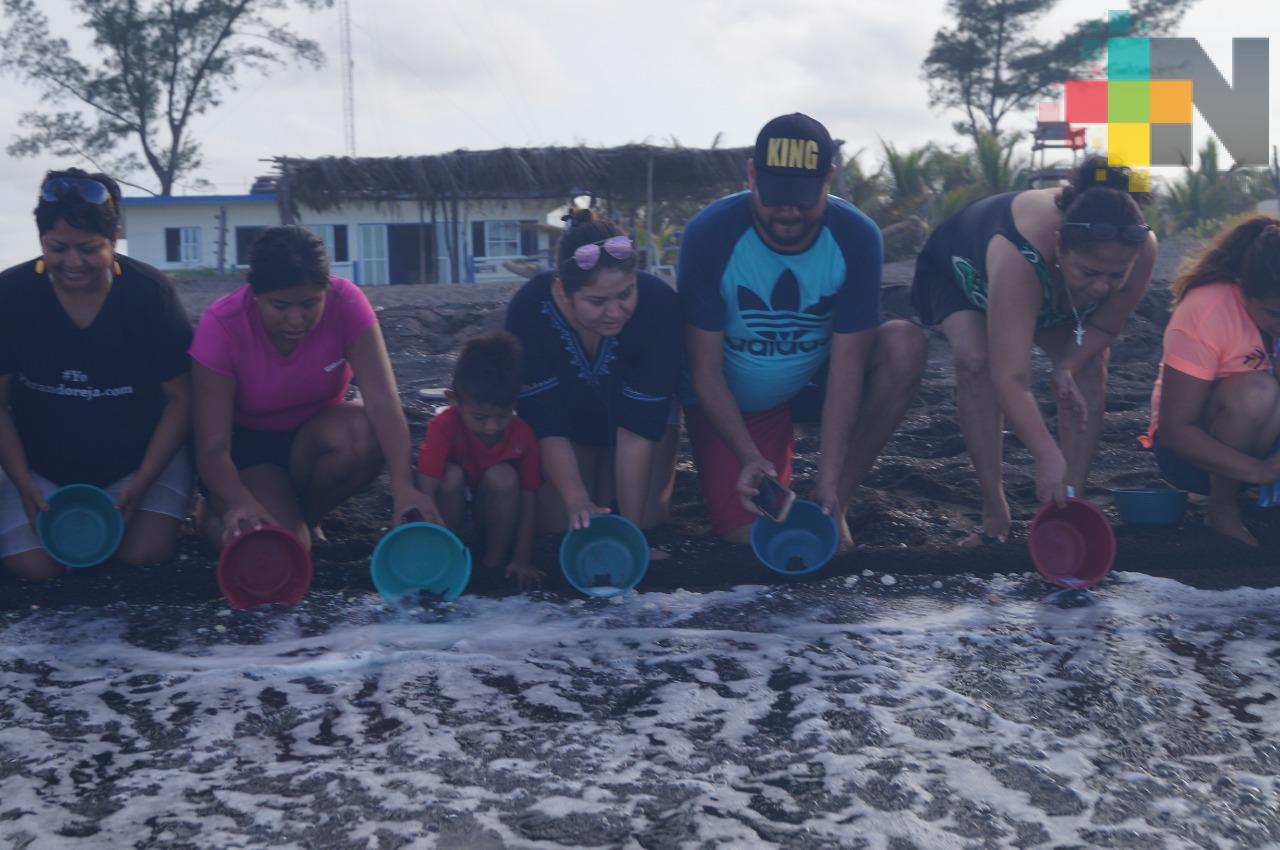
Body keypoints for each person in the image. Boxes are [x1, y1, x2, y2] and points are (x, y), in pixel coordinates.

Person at [680, 113, 927, 545]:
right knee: (754, 539)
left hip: (813, 378)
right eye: (775, 196)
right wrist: (748, 456)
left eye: (802, 196)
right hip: (739, 399)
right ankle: (762, 465)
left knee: (905, 343)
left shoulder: (856, 236)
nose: (789, 211)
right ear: (752, 174)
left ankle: (835, 502)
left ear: (829, 179)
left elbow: (847, 369)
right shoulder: (710, 234)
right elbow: (704, 369)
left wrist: (831, 478)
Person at [911, 155, 1157, 545]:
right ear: (1061, 244)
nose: (1101, 288)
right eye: (1090, 273)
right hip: (961, 267)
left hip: (1047, 283)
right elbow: (1011, 378)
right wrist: (1045, 453)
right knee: (975, 361)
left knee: (1090, 367)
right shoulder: (1020, 253)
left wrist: (1068, 366)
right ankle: (995, 512)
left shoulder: (1140, 246)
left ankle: (1070, 503)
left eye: (1116, 276)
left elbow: (1106, 325)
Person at [0, 169, 194, 581]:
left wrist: (141, 482)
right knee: (35, 570)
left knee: (144, 555)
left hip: (136, 460)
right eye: (57, 248)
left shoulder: (150, 294)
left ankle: (177, 503)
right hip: (38, 464)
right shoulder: (10, 295)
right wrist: (23, 484)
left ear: (115, 238)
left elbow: (181, 400)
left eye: (89, 249)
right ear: (41, 241)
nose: (72, 263)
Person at [192, 225, 432, 550]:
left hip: (314, 438)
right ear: (255, 295)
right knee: (278, 551)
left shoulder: (346, 303)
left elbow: (383, 403)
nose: (295, 319)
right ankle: (221, 515)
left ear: (326, 290)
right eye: (280, 306)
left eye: (309, 304)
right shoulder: (222, 325)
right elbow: (212, 446)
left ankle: (302, 518)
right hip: (248, 449)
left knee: (365, 432)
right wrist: (237, 499)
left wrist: (404, 485)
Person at [505, 210, 682, 533]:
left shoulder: (658, 305)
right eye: (597, 301)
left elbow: (637, 429)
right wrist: (575, 499)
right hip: (566, 424)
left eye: (626, 294)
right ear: (561, 291)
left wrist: (631, 533)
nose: (615, 312)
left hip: (638, 423)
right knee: (566, 525)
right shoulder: (529, 309)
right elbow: (545, 421)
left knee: (646, 521)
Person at [1145, 216, 1280, 546]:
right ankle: (1222, 508)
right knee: (1256, 391)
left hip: (1268, 447)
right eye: (1274, 314)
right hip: (1193, 460)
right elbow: (1176, 430)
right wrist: (1258, 472)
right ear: (1242, 290)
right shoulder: (1207, 309)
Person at [414, 332, 544, 588]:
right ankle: (445, 556)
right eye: (479, 418)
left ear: (516, 402)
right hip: (448, 517)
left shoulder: (522, 434)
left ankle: (492, 565)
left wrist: (522, 558)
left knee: (504, 477)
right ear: (453, 400)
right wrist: (420, 549)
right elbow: (425, 491)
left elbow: (530, 498)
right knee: (450, 477)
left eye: (502, 416)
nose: (491, 427)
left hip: (492, 516)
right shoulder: (443, 426)